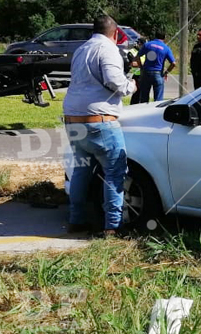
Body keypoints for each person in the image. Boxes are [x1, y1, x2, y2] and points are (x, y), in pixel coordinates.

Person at [62, 15, 136, 237]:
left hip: (73, 118)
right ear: (114, 34)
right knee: (114, 172)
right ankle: (112, 226)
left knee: (81, 170)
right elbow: (114, 80)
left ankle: (77, 220)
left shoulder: (81, 50)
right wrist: (130, 86)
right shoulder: (108, 49)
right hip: (99, 121)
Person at [136, 31, 175, 102]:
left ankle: (143, 111)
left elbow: (138, 57)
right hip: (158, 73)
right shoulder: (166, 48)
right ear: (164, 38)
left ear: (155, 36)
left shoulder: (147, 45)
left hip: (146, 72)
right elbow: (173, 63)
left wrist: (141, 67)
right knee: (158, 100)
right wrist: (166, 72)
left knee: (143, 98)